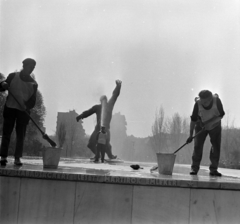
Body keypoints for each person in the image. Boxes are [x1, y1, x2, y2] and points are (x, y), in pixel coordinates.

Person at [0, 58, 38, 166]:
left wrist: (27, 106)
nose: (31, 69)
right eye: (30, 67)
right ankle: (3, 157)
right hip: (10, 108)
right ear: (24, 66)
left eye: (33, 68)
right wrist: (3, 84)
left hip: (23, 112)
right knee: (6, 133)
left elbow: (33, 101)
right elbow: (2, 87)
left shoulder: (33, 83)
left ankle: (17, 158)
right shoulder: (13, 76)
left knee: (21, 135)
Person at [76, 80, 122, 161]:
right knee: (91, 144)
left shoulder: (109, 106)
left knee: (106, 143)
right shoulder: (97, 107)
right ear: (101, 101)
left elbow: (114, 96)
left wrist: (118, 86)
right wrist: (81, 116)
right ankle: (98, 155)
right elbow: (89, 112)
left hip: (106, 129)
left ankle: (110, 155)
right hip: (98, 129)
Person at [186, 90, 225, 176]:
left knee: (215, 146)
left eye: (207, 101)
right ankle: (194, 168)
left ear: (211, 99)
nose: (205, 103)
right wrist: (190, 135)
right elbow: (193, 120)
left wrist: (210, 123)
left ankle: (213, 169)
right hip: (201, 124)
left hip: (215, 125)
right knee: (197, 146)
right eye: (203, 102)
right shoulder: (197, 104)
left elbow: (221, 114)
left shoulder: (217, 101)